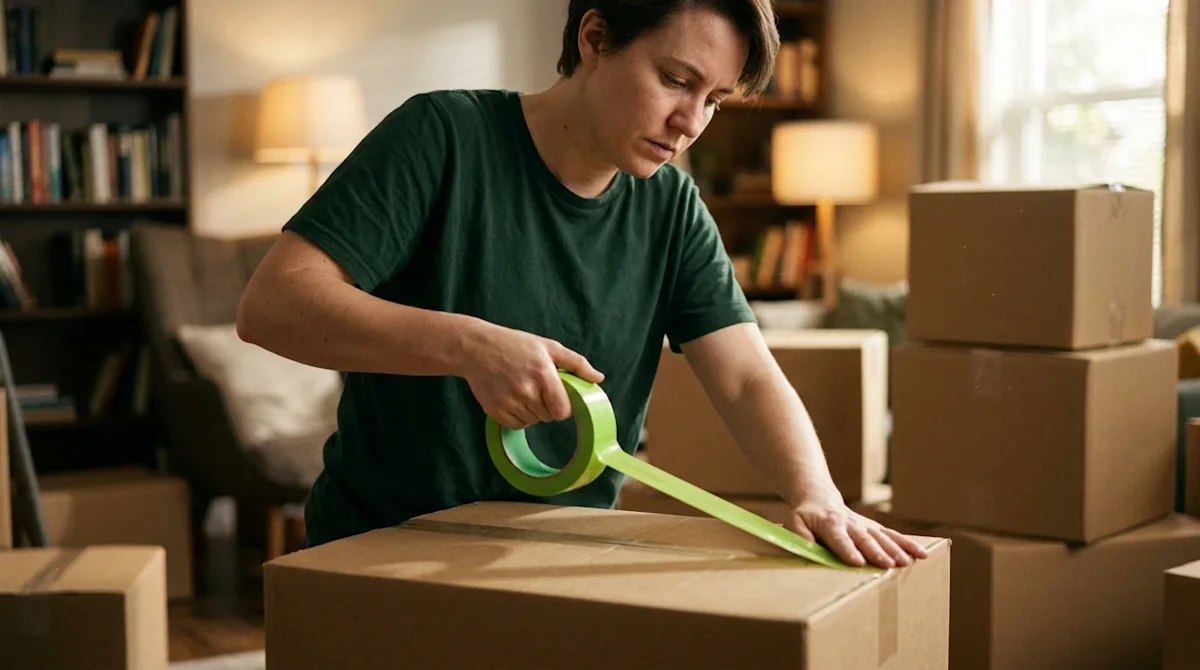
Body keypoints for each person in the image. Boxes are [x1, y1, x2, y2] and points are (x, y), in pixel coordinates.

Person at [236, 0, 927, 570]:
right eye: (676, 80)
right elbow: (274, 304)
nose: (691, 123)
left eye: (714, 99)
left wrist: (818, 495)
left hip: (556, 558)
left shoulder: (672, 207)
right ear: (594, 37)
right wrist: (468, 346)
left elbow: (745, 376)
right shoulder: (442, 134)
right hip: (376, 550)